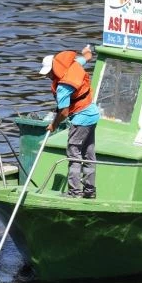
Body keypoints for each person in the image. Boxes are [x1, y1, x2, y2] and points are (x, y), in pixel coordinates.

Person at [39, 45, 99, 199]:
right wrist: (87, 53)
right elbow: (86, 58)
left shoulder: (63, 87)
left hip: (81, 119)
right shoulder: (73, 65)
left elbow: (64, 112)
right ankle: (90, 191)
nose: (48, 76)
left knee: (74, 153)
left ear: (55, 69)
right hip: (93, 115)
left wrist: (54, 125)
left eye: (49, 73)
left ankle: (74, 192)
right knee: (88, 153)